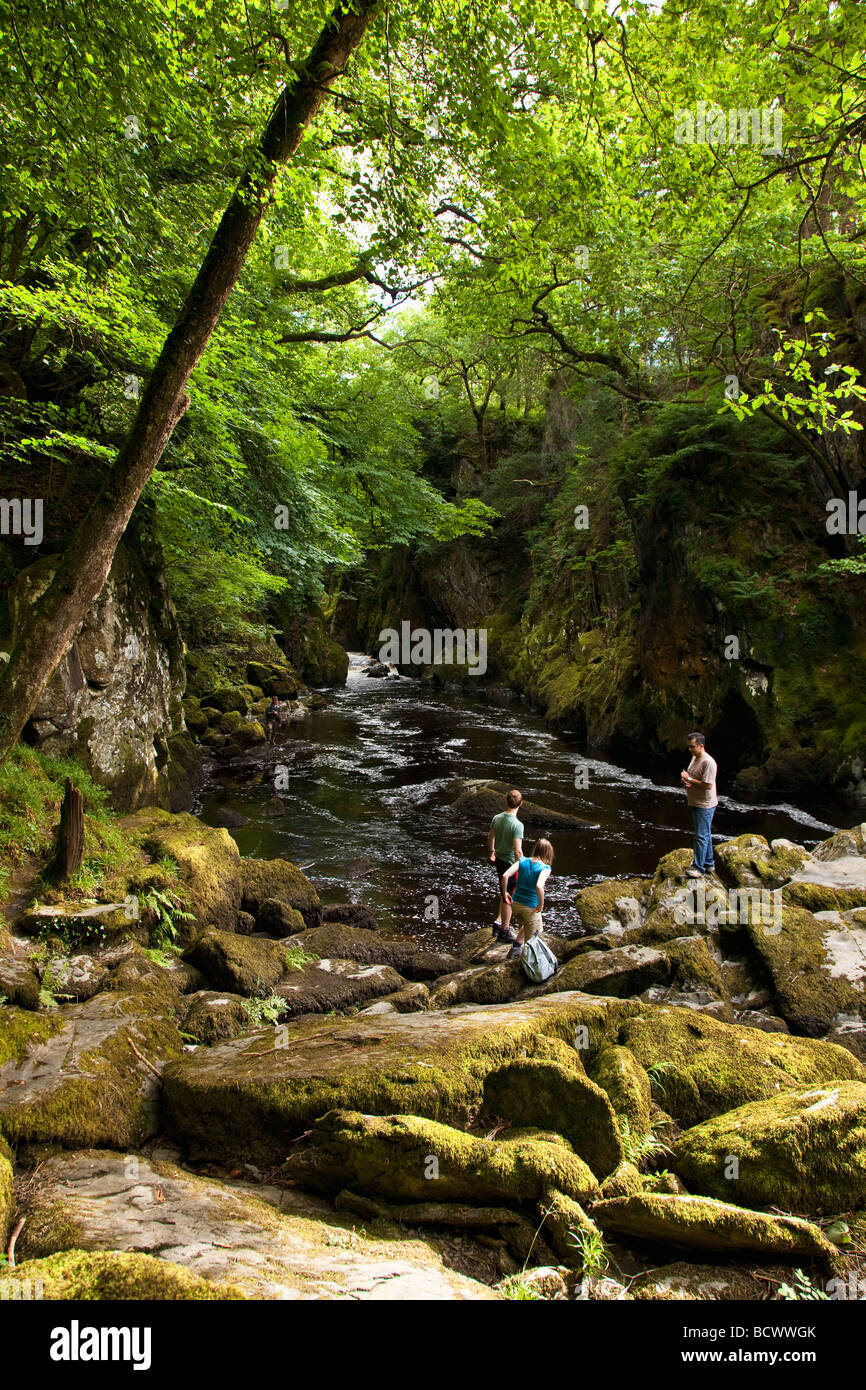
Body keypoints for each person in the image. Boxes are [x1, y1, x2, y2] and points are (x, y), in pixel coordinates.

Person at [501, 839, 554, 959]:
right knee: (534, 936)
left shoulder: (522, 860)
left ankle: (516, 947)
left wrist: (505, 894)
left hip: (515, 904)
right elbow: (539, 886)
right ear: (548, 854)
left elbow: (505, 876)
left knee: (527, 924)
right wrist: (541, 904)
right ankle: (529, 964)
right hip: (530, 908)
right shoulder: (545, 868)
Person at [681, 731, 718, 878]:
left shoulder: (708, 762)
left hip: (705, 804)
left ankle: (698, 868)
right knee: (705, 834)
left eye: (692, 747)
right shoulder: (694, 758)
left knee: (701, 836)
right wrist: (686, 781)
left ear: (701, 746)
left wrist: (688, 778)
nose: (690, 750)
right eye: (689, 747)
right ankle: (709, 864)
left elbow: (708, 785)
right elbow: (693, 778)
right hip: (696, 801)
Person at [487, 789, 524, 938]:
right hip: (510, 863)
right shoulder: (517, 825)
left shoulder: (496, 818)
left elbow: (490, 837)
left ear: (506, 802)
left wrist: (492, 851)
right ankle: (505, 930)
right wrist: (520, 868)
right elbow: (518, 851)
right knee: (509, 896)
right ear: (521, 804)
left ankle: (498, 922)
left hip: (499, 860)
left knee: (504, 892)